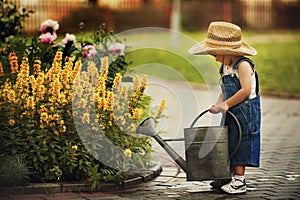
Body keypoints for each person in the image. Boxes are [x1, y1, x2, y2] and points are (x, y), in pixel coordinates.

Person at [189, 21, 261, 194]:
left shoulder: (243, 65)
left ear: (229, 51)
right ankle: (225, 175)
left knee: (241, 142)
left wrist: (227, 104)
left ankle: (239, 181)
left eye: (216, 54)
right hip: (231, 110)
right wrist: (219, 104)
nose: (215, 58)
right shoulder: (225, 67)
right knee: (227, 141)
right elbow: (225, 90)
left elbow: (246, 90)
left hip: (246, 111)